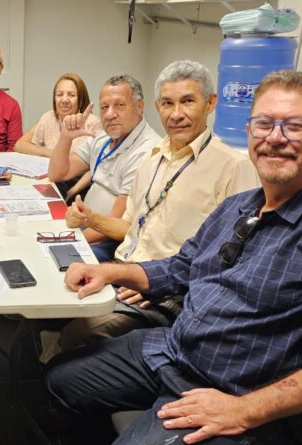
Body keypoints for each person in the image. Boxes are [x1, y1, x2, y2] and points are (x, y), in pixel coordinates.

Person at [44, 71, 302, 445]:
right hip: (175, 352)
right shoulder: (238, 207)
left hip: (236, 392)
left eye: (294, 126)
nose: (275, 138)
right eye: (263, 124)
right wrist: (109, 272)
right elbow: (181, 268)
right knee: (58, 381)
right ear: (250, 133)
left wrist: (243, 410)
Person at [55, 60, 259, 352]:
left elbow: (234, 260)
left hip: (168, 293)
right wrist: (92, 219)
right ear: (156, 107)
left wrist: (161, 284)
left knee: (81, 331)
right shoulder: (151, 158)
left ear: (210, 103)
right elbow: (129, 226)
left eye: (187, 101)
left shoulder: (234, 166)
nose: (176, 114)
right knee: (53, 296)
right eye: (167, 103)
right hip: (123, 270)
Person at [48, 74, 161, 262]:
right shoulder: (103, 138)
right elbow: (57, 173)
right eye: (104, 107)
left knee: (53, 260)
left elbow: (117, 224)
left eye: (119, 105)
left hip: (109, 240)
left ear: (140, 107)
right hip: (85, 224)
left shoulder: (147, 150)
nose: (109, 114)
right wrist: (66, 137)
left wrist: (68, 239)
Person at [15, 72, 102, 201]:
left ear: (80, 99)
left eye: (71, 95)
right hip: (50, 179)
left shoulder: (93, 123)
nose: (64, 100)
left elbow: (97, 167)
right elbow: (19, 145)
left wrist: (73, 191)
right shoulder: (49, 117)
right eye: (59, 94)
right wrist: (51, 153)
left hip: (77, 187)